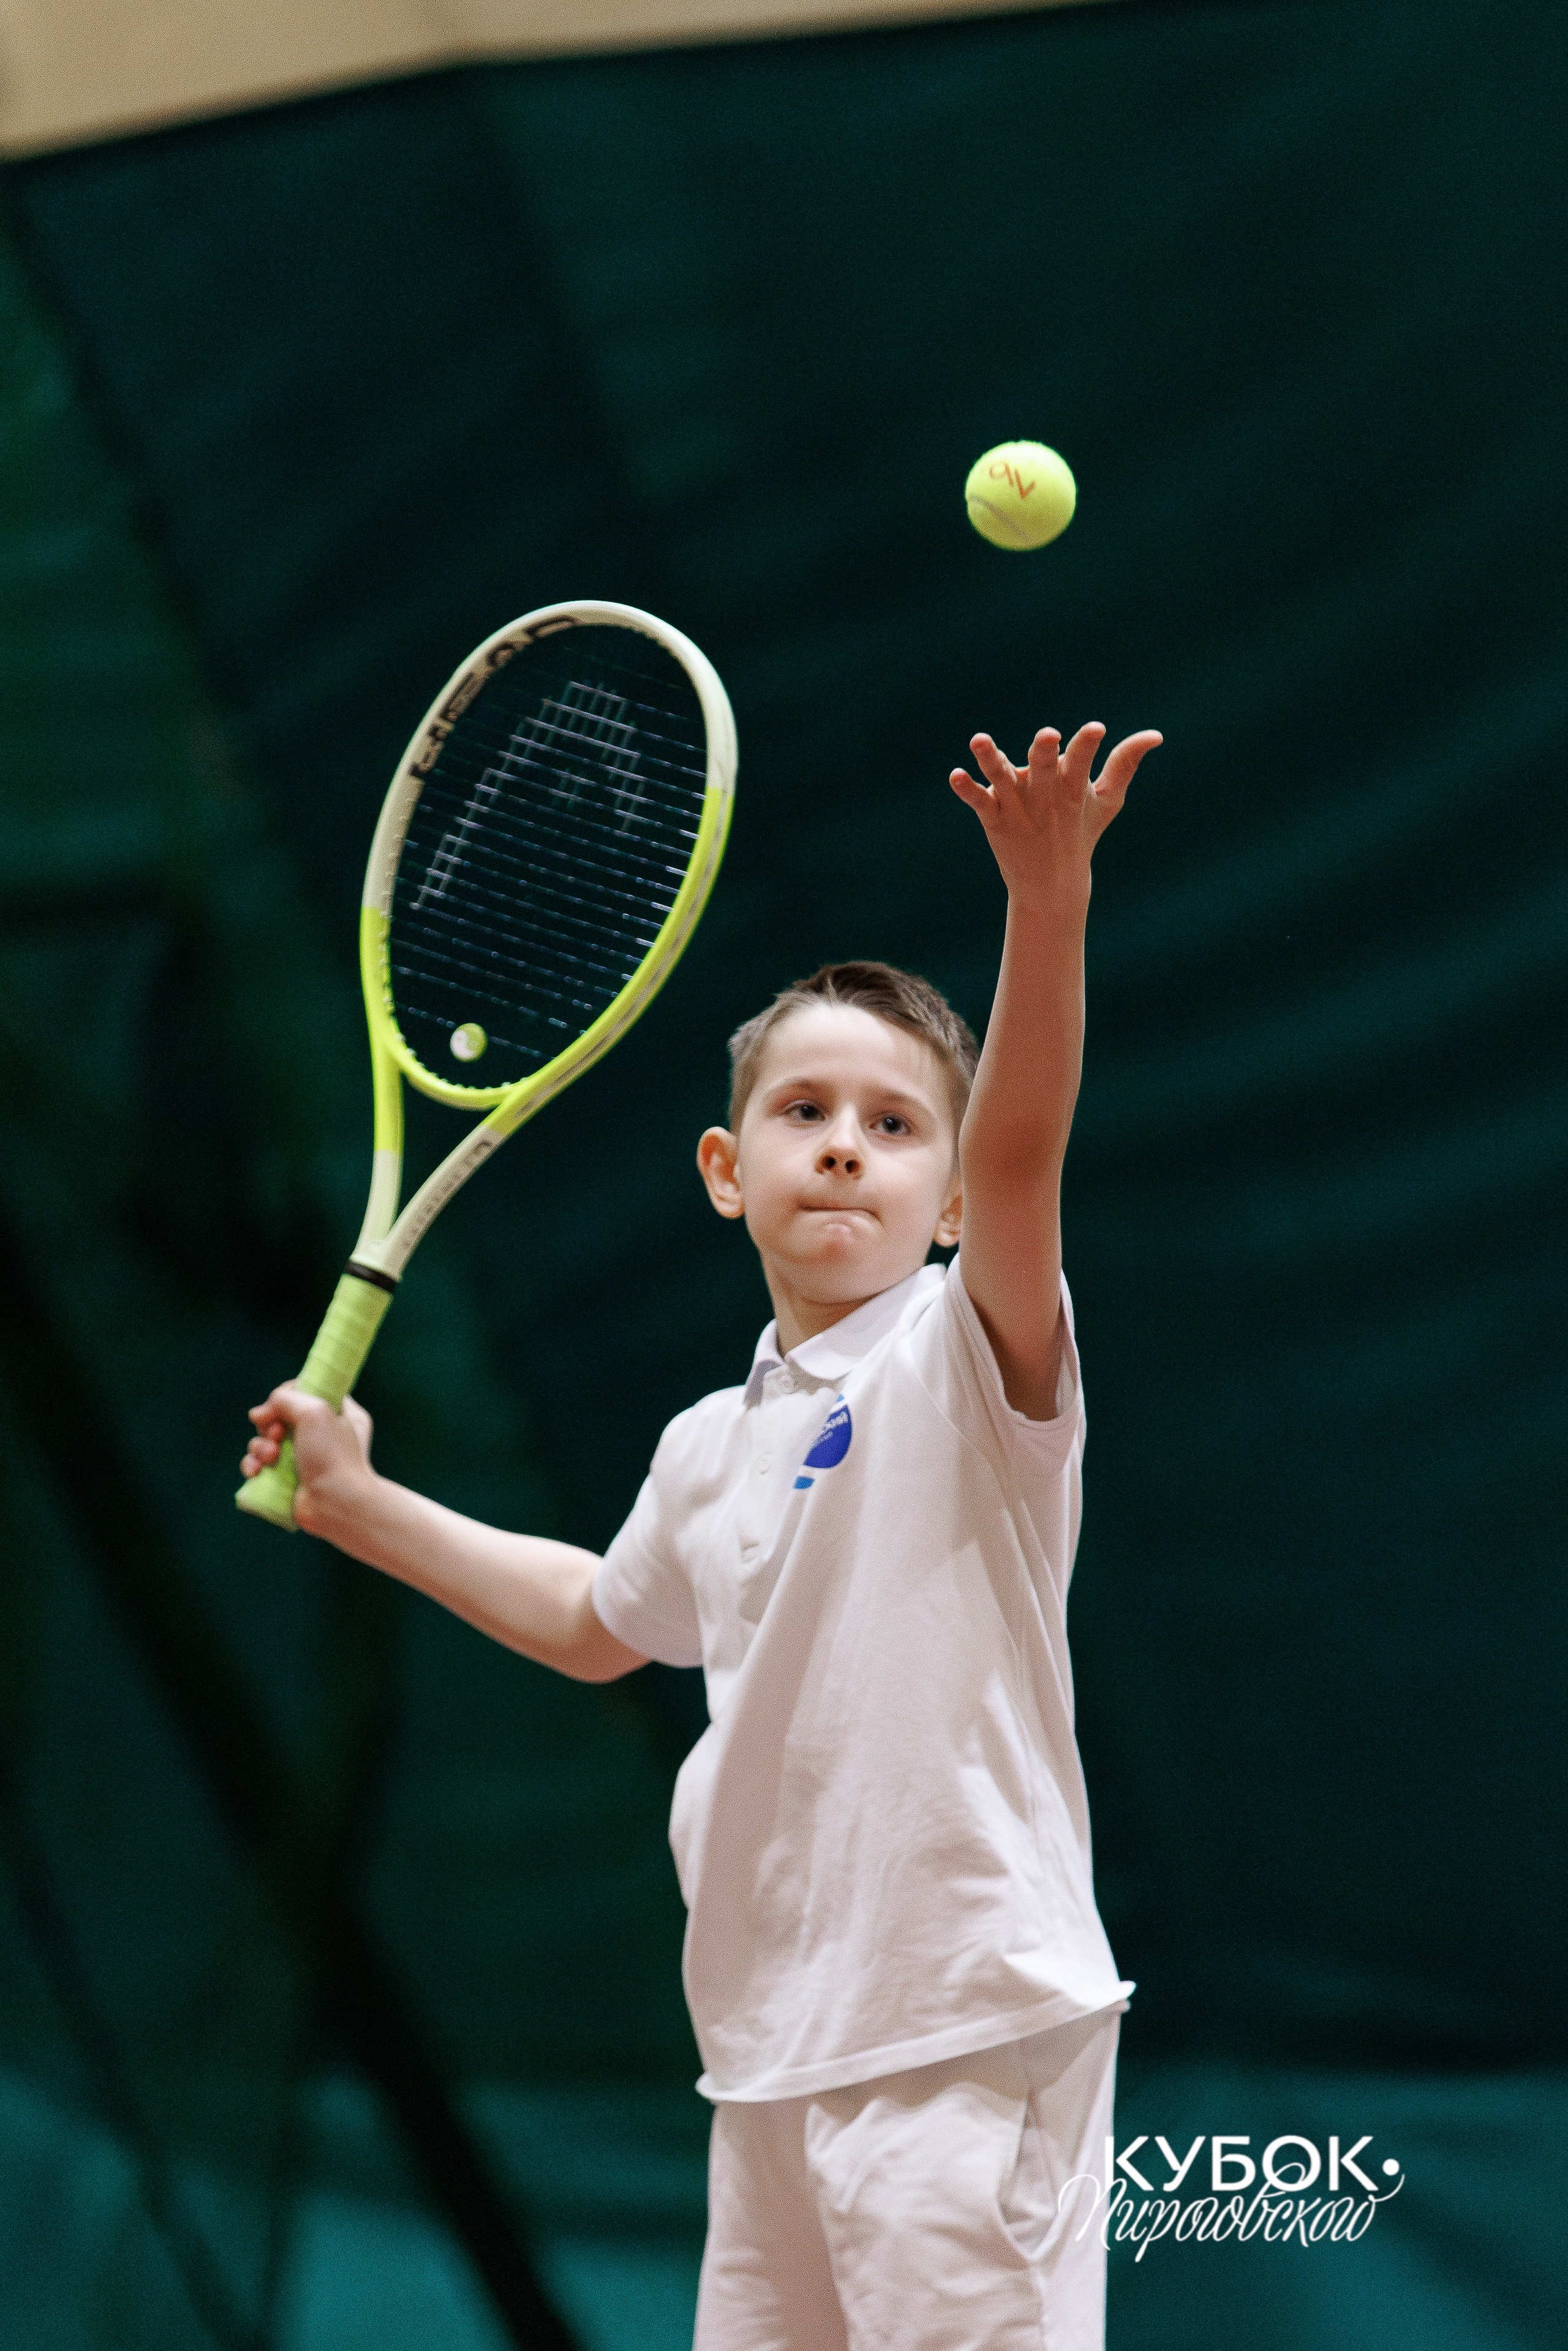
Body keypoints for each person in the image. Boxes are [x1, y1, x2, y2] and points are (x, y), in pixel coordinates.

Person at [241, 715, 1163, 2350]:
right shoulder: (704, 1443)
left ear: (947, 1204)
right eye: (806, 1110)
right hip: (765, 2061)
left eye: (894, 1127)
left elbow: (1027, 1147)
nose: (844, 1146)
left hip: (962, 2036)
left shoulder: (969, 1355)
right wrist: (363, 1505)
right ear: (728, 1171)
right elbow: (604, 1616)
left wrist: (1048, 895)